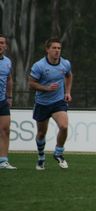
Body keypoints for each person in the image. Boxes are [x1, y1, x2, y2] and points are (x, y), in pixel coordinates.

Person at [28, 37, 73, 170]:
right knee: (41, 133)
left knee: (64, 126)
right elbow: (31, 84)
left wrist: (68, 92)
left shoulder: (65, 64)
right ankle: (41, 157)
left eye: (59, 48)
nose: (57, 51)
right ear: (47, 49)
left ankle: (58, 153)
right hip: (42, 103)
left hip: (58, 102)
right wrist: (46, 88)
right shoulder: (39, 66)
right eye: (54, 48)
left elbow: (69, 75)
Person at [0, 34, 16, 170]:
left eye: (2, 43)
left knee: (5, 130)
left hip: (2, 102)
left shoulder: (7, 62)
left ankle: (3, 161)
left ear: (5, 46)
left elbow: (9, 79)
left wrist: (9, 97)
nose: (0, 45)